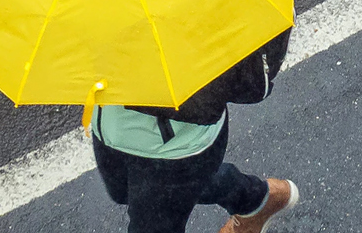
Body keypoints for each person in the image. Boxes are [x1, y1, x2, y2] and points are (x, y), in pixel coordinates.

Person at [91, 30, 299, 233]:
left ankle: (254, 199)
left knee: (159, 205)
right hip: (108, 122)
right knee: (123, 193)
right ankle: (254, 199)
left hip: (174, 145)